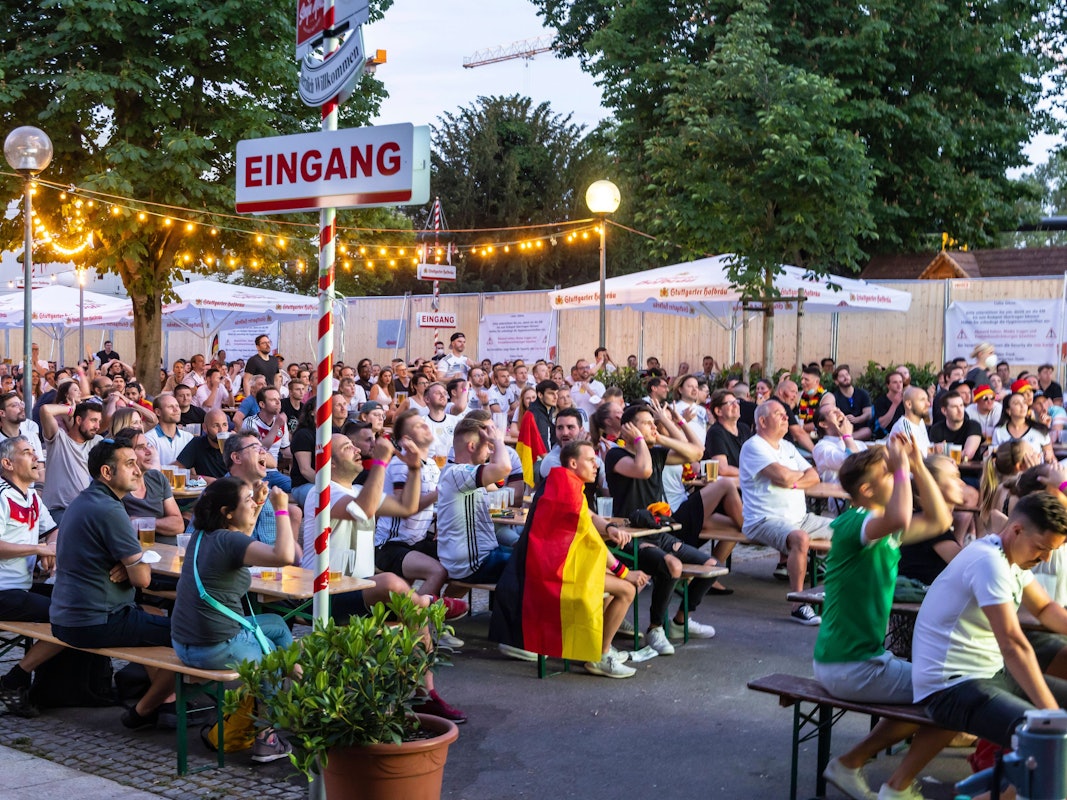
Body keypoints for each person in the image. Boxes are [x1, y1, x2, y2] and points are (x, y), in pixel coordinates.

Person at [816, 439, 957, 800]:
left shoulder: (882, 529)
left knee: (949, 691)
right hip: (850, 665)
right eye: (889, 473)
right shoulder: (855, 522)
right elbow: (900, 516)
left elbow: (940, 520)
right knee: (956, 696)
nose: (898, 476)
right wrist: (902, 468)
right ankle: (866, 770)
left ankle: (854, 763)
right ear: (867, 490)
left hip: (853, 660)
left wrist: (917, 465)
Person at [911, 491, 1067, 756]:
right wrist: (1051, 713)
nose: (1046, 558)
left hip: (988, 674)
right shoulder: (989, 562)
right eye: (1042, 548)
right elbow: (1013, 645)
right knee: (1049, 737)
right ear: (1017, 530)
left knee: (1052, 734)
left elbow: (1044, 608)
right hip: (950, 687)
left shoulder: (1010, 556)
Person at [491, 440, 649, 679]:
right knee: (627, 589)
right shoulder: (568, 491)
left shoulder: (560, 481)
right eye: (590, 460)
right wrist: (625, 572)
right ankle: (600, 656)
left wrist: (610, 530)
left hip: (546, 566)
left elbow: (588, 520)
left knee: (614, 586)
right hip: (553, 574)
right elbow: (593, 541)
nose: (596, 465)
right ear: (573, 463)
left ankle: (594, 648)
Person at [49, 440, 174, 730]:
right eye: (129, 464)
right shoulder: (110, 509)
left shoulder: (86, 500)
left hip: (67, 617)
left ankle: (166, 703)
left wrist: (127, 565)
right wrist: (133, 566)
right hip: (96, 621)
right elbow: (143, 580)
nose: (139, 470)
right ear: (107, 472)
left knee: (152, 617)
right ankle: (148, 709)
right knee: (188, 634)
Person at [171, 478, 295, 762]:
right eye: (247, 500)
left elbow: (243, 539)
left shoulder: (202, 536)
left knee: (277, 625)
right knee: (274, 658)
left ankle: (295, 680)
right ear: (227, 512)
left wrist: (258, 503)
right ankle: (267, 736)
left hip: (184, 644)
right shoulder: (228, 541)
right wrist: (281, 508)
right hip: (214, 648)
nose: (253, 504)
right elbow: (284, 555)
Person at [605, 402, 742, 650]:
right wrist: (640, 440)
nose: (653, 427)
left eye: (653, 423)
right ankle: (655, 628)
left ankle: (680, 620)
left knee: (712, 565)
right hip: (630, 536)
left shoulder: (656, 453)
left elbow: (696, 453)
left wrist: (662, 431)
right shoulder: (616, 455)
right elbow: (644, 470)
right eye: (647, 423)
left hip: (659, 531)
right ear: (629, 429)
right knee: (672, 565)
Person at [739, 402, 833, 624]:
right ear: (762, 421)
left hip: (800, 518)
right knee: (800, 538)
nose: (785, 418)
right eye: (778, 414)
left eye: (785, 414)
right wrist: (792, 477)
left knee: (848, 528)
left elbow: (814, 475)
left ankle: (842, 593)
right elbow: (781, 476)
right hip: (764, 519)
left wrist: (793, 482)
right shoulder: (754, 446)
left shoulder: (787, 447)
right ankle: (799, 603)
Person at [373, 409, 465, 615]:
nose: (425, 425)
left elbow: (440, 503)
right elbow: (404, 509)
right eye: (418, 425)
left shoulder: (431, 463)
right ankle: (416, 621)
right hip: (391, 544)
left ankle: (436, 614)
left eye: (423, 422)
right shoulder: (401, 464)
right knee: (437, 571)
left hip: (418, 540)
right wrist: (439, 492)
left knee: (463, 561)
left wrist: (442, 524)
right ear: (406, 439)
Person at [0, 436, 61, 717]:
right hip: (3, 591)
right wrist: (38, 548)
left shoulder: (32, 495)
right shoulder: (1, 495)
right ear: (7, 463)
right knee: (70, 616)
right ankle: (14, 680)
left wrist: (51, 550)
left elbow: (53, 530)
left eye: (35, 452)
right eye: (27, 452)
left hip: (21, 589)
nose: (36, 457)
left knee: (81, 603)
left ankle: (38, 685)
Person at [436, 416, 513, 584]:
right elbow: (504, 468)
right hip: (474, 563)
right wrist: (498, 441)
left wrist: (493, 446)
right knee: (532, 563)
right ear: (472, 446)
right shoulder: (458, 473)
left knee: (526, 551)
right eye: (486, 446)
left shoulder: (459, 472)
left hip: (476, 557)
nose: (489, 452)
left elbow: (498, 483)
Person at [40, 400, 104, 526]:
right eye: (93, 420)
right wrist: (69, 410)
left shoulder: (97, 442)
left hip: (89, 510)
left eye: (99, 421)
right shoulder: (58, 439)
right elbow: (45, 410)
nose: (97, 426)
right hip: (60, 511)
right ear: (78, 420)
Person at [117, 428, 185, 536]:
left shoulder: (157, 478)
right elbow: (122, 528)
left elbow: (178, 525)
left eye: (148, 445)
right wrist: (162, 524)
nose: (149, 452)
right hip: (143, 546)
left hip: (170, 545)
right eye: (140, 447)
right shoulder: (117, 488)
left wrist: (142, 522)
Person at [993, 391, 1053, 463]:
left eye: (1024, 402)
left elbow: (1050, 457)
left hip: (1036, 469)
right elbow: (994, 457)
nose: (1022, 406)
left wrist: (1048, 458)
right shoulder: (999, 431)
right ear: (1008, 411)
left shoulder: (1040, 429)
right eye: (1017, 403)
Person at [175, 409, 230, 483]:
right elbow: (176, 470)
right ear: (205, 428)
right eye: (216, 426)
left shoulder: (235, 445)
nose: (221, 430)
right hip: (208, 489)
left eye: (224, 425)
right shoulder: (197, 443)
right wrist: (202, 479)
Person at [929, 390, 982, 462]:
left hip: (969, 469)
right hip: (944, 468)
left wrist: (944, 450)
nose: (960, 410)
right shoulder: (936, 429)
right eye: (954, 407)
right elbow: (932, 455)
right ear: (944, 410)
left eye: (961, 405)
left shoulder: (973, 425)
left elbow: (968, 455)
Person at [144, 392, 194, 467]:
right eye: (170, 407)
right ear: (158, 412)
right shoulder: (148, 439)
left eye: (177, 406)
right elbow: (150, 470)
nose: (176, 410)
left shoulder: (188, 437)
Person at [832, 365, 873, 440]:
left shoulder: (862, 393)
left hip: (860, 430)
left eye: (847, 374)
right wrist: (844, 419)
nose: (846, 377)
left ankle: (845, 439)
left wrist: (857, 419)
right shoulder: (834, 397)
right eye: (842, 376)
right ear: (836, 382)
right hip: (842, 429)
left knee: (867, 431)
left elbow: (868, 414)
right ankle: (846, 438)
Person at [888, 386, 931, 455]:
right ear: (909, 404)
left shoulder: (920, 422)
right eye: (922, 400)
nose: (928, 404)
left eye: (927, 400)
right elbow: (916, 457)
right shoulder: (904, 426)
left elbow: (927, 450)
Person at [873, 371, 905, 439]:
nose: (899, 385)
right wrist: (894, 404)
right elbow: (882, 424)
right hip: (886, 436)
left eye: (900, 382)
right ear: (888, 385)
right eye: (895, 382)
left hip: (904, 434)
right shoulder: (880, 401)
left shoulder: (907, 400)